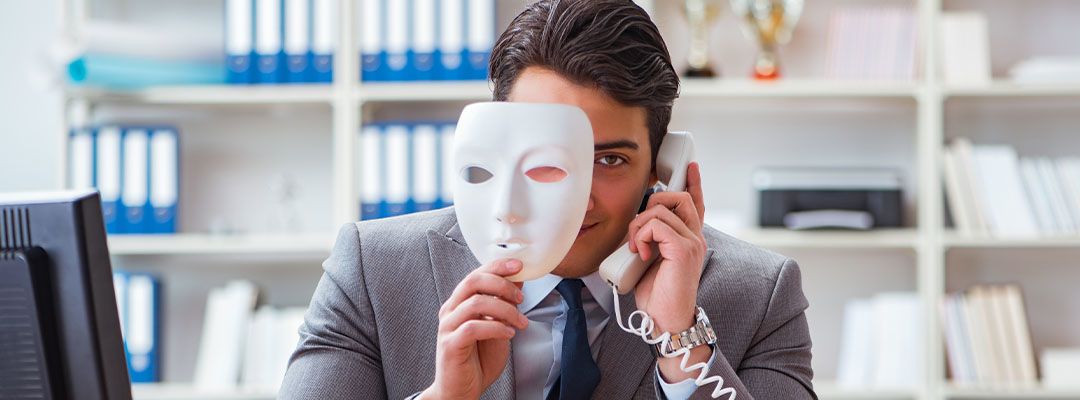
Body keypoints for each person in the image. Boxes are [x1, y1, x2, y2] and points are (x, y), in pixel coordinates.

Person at [280, 1, 816, 399]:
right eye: (550, 159)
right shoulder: (374, 271)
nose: (575, 199)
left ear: (663, 168)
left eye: (608, 160)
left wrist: (682, 341)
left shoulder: (761, 294)